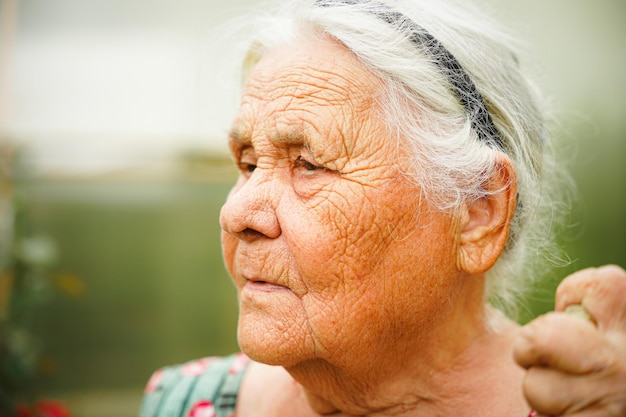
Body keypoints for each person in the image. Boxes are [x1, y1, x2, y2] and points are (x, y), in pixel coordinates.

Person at [139, 0, 626, 416]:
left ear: (478, 211)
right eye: (247, 164)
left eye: (308, 165)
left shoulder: (593, 404)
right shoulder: (181, 403)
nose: (236, 213)